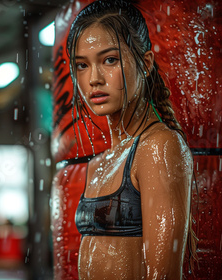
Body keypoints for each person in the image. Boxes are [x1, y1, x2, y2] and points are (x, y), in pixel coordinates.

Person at [67, 0, 196, 279]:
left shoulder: (158, 147)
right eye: (81, 65)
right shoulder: (98, 164)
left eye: (109, 60)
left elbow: (164, 276)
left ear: (145, 63)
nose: (94, 79)